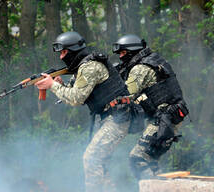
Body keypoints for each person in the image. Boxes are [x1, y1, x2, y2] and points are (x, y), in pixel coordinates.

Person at [35, 31, 132, 191]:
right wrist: (59, 84)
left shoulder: (90, 66)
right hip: (110, 117)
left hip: (117, 117)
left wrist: (52, 85)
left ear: (74, 50)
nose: (61, 57)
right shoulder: (84, 67)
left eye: (64, 52)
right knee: (101, 163)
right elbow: (74, 93)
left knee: (92, 158)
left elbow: (76, 98)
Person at [112, 34, 189, 179]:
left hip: (164, 119)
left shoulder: (140, 68)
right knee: (151, 160)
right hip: (170, 116)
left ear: (132, 52)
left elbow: (127, 95)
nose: (121, 57)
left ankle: (150, 186)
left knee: (138, 159)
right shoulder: (154, 60)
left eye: (123, 53)